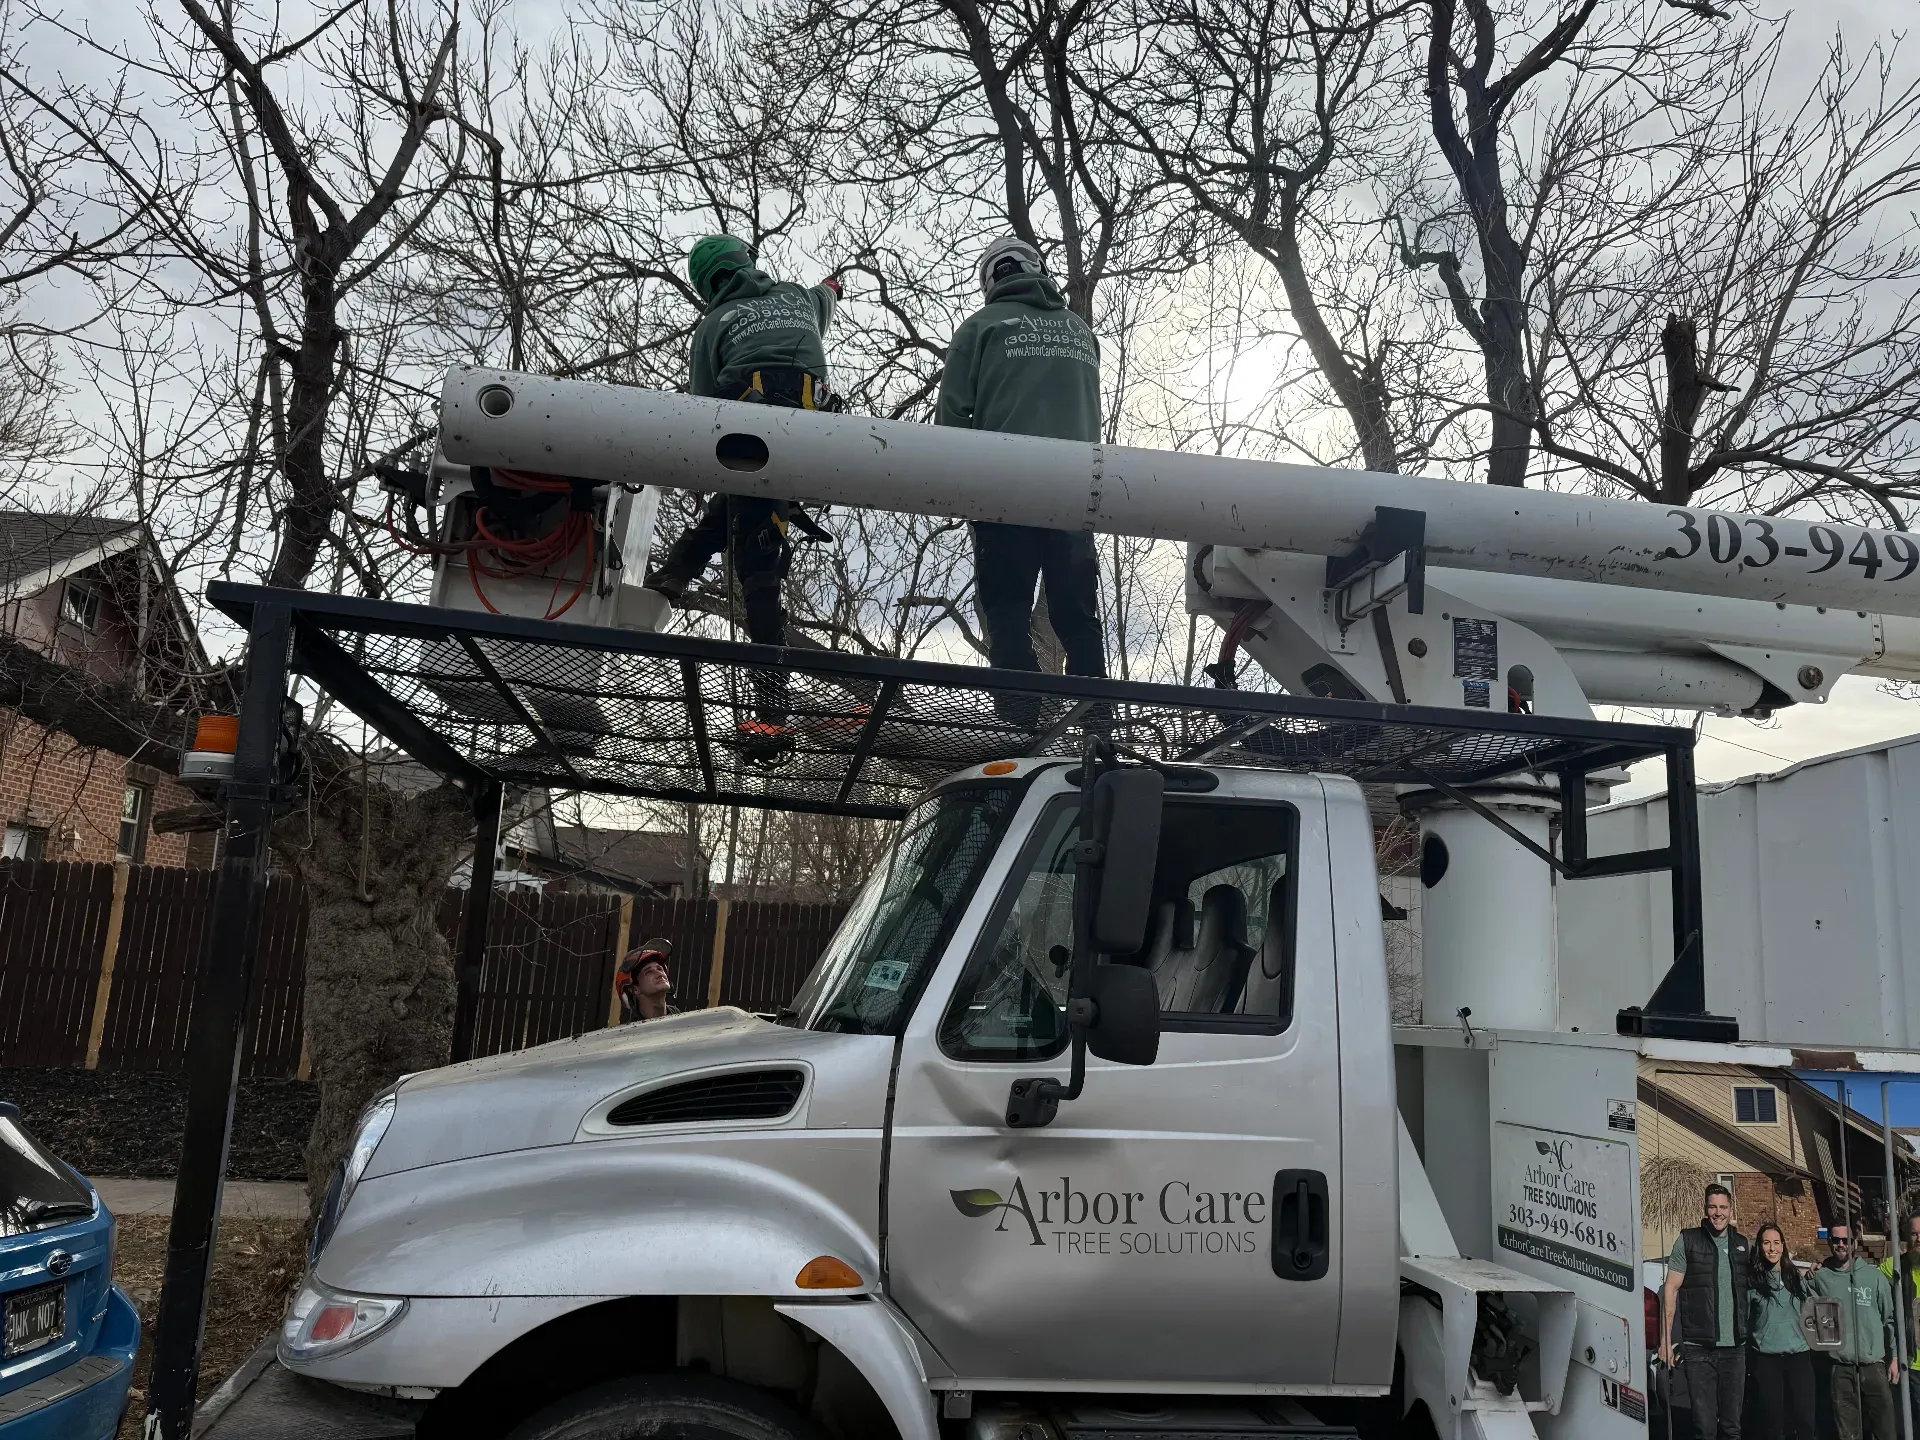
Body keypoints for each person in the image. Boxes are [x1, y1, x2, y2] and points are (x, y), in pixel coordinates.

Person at [646, 234, 841, 754]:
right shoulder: (799, 297)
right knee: (756, 554)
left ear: (708, 284)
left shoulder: (713, 325)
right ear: (745, 264)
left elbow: (704, 408)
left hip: (753, 436)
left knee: (757, 570)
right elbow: (824, 298)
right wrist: (833, 286)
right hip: (808, 435)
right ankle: (679, 567)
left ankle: (771, 715)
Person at [937, 235, 1107, 724]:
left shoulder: (980, 328)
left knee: (1006, 606)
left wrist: (958, 488)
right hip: (1076, 491)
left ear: (991, 281)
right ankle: (1097, 720)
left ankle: (1018, 716)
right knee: (1076, 616)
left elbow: (952, 420)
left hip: (1002, 488)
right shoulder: (1079, 330)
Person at [1661, 1183, 1752, 1440]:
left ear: (1731, 1210)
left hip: (1734, 1349)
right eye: (1713, 1207)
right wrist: (1666, 1341)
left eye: (1723, 1207)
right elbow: (1671, 1289)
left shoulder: (1742, 1244)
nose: (1718, 1212)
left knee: (1732, 1427)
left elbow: (1759, 1283)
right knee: (1705, 1428)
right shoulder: (1687, 1240)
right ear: (1705, 1209)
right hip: (1698, 1349)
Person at [1807, 1223, 1900, 1440]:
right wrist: (1809, 1273)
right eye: (1836, 1240)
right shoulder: (1821, 1278)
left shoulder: (1874, 1277)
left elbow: (1889, 1319)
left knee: (1885, 1430)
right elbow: (1809, 1313)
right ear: (1829, 1242)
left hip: (1874, 1365)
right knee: (1848, 1434)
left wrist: (1893, 1356)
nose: (1841, 1244)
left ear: (1854, 1243)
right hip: (1840, 1367)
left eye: (1846, 1240)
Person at [1748, 1222, 1816, 1440]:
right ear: (1759, 1246)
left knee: (1805, 1420)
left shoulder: (1796, 1276)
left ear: (1783, 1246)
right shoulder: (1751, 1280)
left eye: (1777, 1243)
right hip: (1767, 1360)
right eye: (1766, 1243)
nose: (1772, 1248)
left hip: (1799, 1358)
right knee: (1773, 1423)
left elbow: (1815, 1308)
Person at [1879, 1214, 1920, 1434]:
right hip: (1912, 1365)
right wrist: (1823, 1265)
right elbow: (1864, 1279)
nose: (1919, 1238)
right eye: (1914, 1234)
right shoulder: (1896, 1266)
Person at [614, 938, 677, 1023]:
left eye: (659, 969)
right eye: (648, 972)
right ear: (635, 989)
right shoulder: (632, 1033)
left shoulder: (681, 1018)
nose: (659, 974)